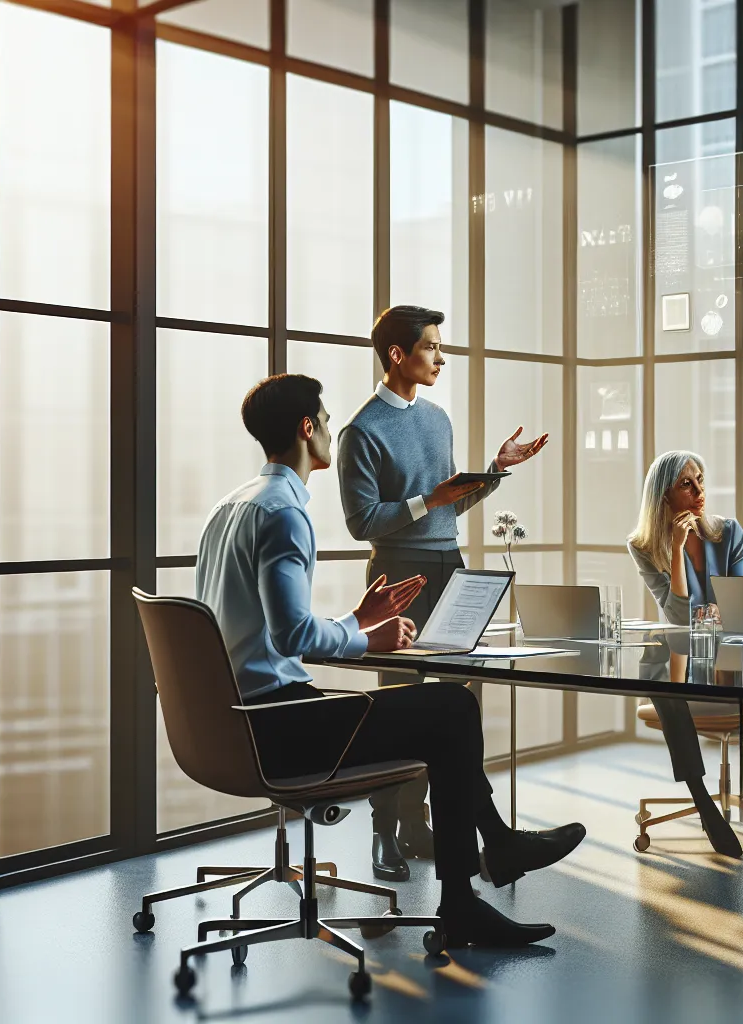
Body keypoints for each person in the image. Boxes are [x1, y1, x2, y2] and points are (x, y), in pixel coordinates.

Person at [195, 373, 583, 946]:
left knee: (438, 710)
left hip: (231, 723)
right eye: (325, 421)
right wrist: (362, 633)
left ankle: (487, 861)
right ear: (308, 429)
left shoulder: (229, 508)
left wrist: (357, 618)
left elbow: (249, 627)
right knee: (451, 707)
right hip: (278, 728)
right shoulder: (284, 512)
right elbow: (291, 634)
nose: (330, 429)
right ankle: (477, 878)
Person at [336, 305, 548, 883]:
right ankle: (384, 834)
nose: (441, 357)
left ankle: (421, 825)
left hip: (449, 566)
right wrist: (431, 500)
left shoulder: (438, 418)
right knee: (397, 707)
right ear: (397, 355)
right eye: (430, 347)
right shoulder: (361, 430)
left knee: (459, 705)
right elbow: (362, 523)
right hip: (397, 576)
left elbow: (447, 503)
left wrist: (493, 472)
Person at [626, 451, 743, 858]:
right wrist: (677, 548)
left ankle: (703, 802)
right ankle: (702, 799)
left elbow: (741, 604)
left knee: (671, 688)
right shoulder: (644, 546)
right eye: (686, 484)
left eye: (700, 480)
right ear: (664, 497)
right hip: (675, 661)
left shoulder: (728, 533)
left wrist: (719, 611)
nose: (699, 492)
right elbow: (678, 615)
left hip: (726, 661)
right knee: (661, 685)